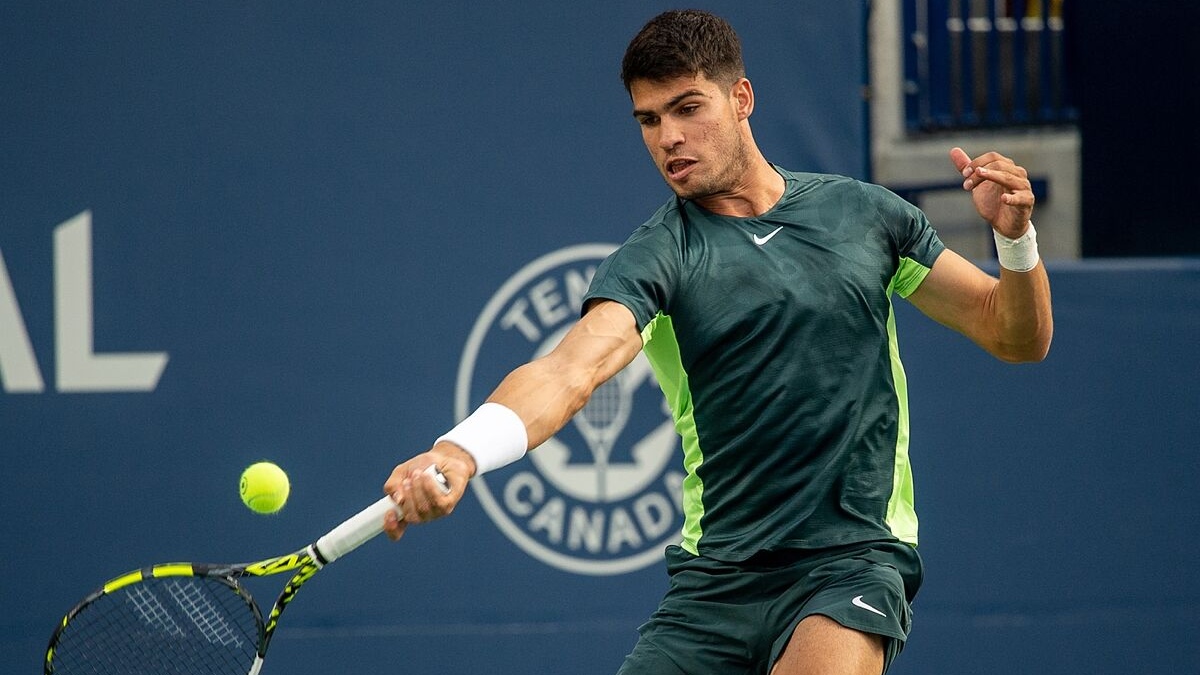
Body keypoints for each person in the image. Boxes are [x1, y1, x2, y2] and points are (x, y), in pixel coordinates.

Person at [381, 9, 1053, 675]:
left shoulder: (867, 215)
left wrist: (1015, 241)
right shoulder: (656, 256)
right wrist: (461, 450)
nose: (669, 137)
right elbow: (569, 371)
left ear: (741, 98)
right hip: (715, 583)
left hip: (850, 557)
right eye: (649, 120)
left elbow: (1013, 334)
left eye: (686, 108)